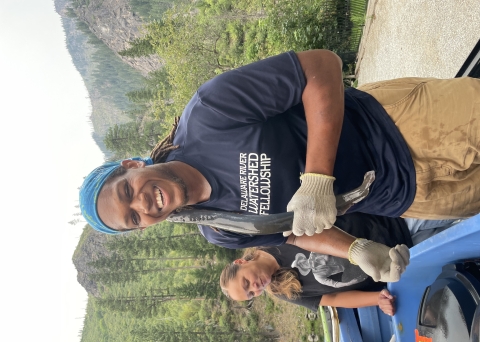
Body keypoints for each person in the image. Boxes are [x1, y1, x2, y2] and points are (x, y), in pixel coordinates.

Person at [79, 50, 480, 281]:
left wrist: (318, 178)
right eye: (133, 219)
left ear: (132, 165)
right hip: (407, 198)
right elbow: (291, 236)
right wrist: (355, 249)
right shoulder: (220, 230)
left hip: (404, 125)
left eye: (127, 191)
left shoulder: (208, 114)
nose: (143, 205)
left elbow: (320, 67)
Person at [219, 212, 444, 314]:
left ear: (241, 262)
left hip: (395, 220)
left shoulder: (275, 236)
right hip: (403, 263)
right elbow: (334, 299)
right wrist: (376, 299)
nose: (256, 288)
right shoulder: (282, 291)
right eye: (251, 294)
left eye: (246, 283)